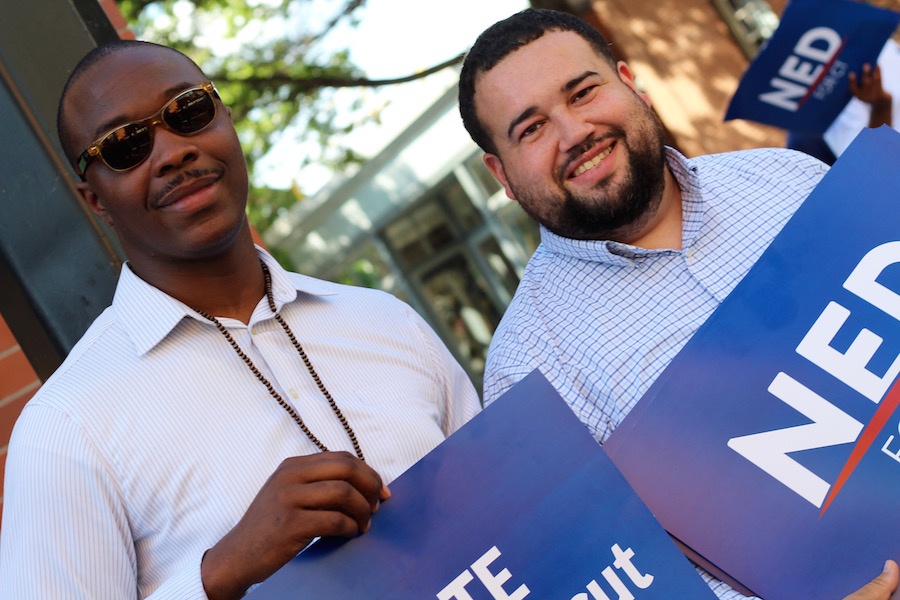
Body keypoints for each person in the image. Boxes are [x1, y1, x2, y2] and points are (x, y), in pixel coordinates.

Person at [0, 40, 481, 599]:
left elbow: (511, 507)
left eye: (189, 111)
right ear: (95, 201)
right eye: (126, 145)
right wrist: (222, 570)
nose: (173, 151)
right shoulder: (67, 428)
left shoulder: (385, 322)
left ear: (226, 121)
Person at [457, 8, 898, 600]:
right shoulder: (527, 373)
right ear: (501, 173)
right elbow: (634, 579)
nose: (574, 133)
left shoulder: (786, 177)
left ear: (628, 81)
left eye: (583, 92)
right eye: (531, 128)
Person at [787, 37, 898, 165]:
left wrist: (881, 107)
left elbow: (877, 162)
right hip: (816, 135)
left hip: (851, 164)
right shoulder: (883, 44)